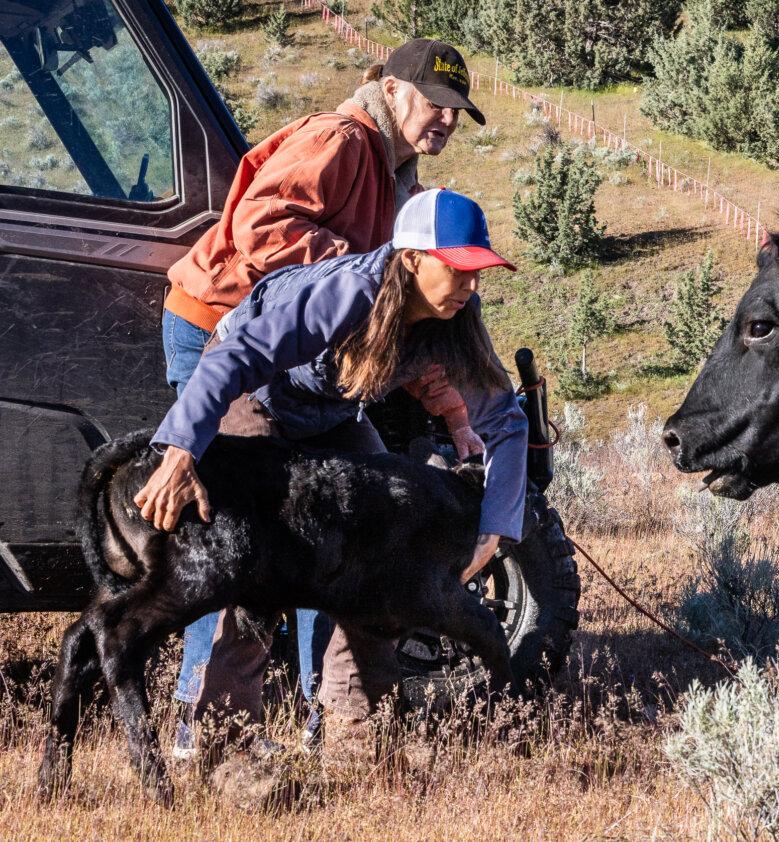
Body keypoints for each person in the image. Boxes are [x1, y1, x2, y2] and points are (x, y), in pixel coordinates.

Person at [160, 38, 487, 755]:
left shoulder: (400, 180)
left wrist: (451, 408)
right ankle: (201, 724)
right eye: (437, 104)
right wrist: (361, 277)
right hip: (224, 335)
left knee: (354, 524)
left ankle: (335, 722)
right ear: (395, 90)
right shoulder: (340, 140)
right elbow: (260, 229)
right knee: (236, 536)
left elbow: (403, 321)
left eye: (459, 113)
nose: (447, 122)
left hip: (306, 370)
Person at [137, 189, 527, 759]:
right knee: (258, 562)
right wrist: (181, 449)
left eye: (478, 272)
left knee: (382, 539)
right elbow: (233, 358)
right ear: (413, 259)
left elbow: (507, 421)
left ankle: (356, 730)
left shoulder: (456, 316)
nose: (471, 286)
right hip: (256, 394)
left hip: (329, 414)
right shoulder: (348, 293)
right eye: (460, 270)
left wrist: (496, 527)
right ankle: (223, 738)